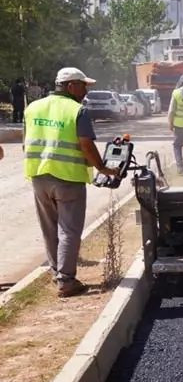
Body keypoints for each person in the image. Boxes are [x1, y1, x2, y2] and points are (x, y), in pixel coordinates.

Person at [24, 67, 118, 297]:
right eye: (83, 85)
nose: (86, 90)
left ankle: (58, 273)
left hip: (38, 176)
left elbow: (26, 144)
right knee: (69, 229)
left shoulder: (32, 108)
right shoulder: (78, 111)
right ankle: (66, 281)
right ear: (70, 86)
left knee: (49, 229)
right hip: (68, 179)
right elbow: (86, 144)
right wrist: (103, 168)